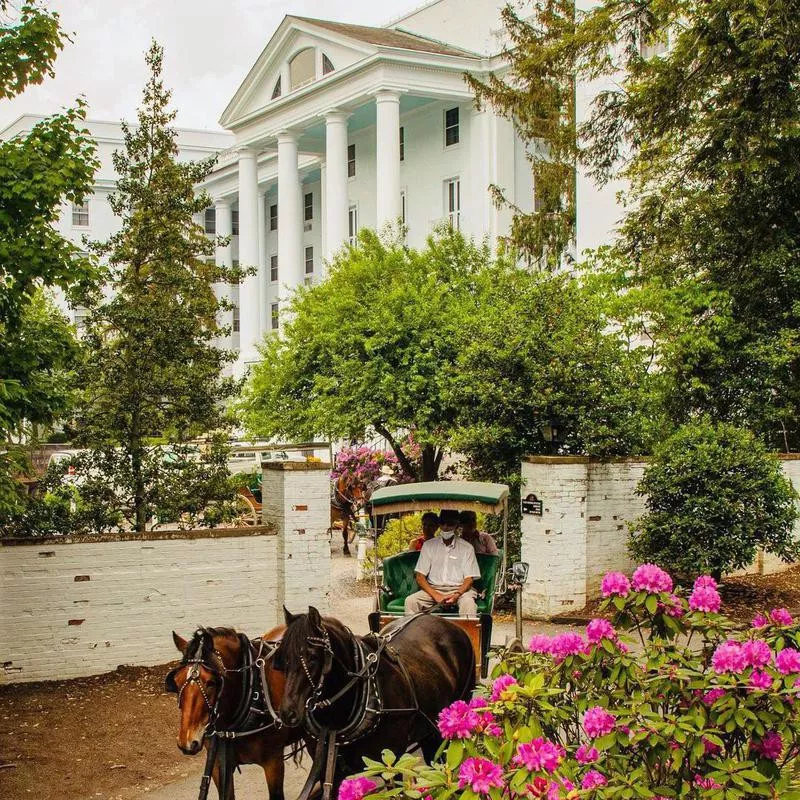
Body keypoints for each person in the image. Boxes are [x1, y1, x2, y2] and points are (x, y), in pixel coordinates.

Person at [404, 509, 480, 616]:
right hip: (433, 589)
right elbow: (420, 576)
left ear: (457, 525)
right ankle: (414, 632)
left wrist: (456, 595)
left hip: (460, 590)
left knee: (469, 604)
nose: (445, 527)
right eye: (443, 523)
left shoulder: (467, 548)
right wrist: (436, 595)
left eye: (450, 524)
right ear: (439, 524)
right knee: (411, 601)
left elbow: (469, 579)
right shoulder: (429, 545)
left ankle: (467, 633)